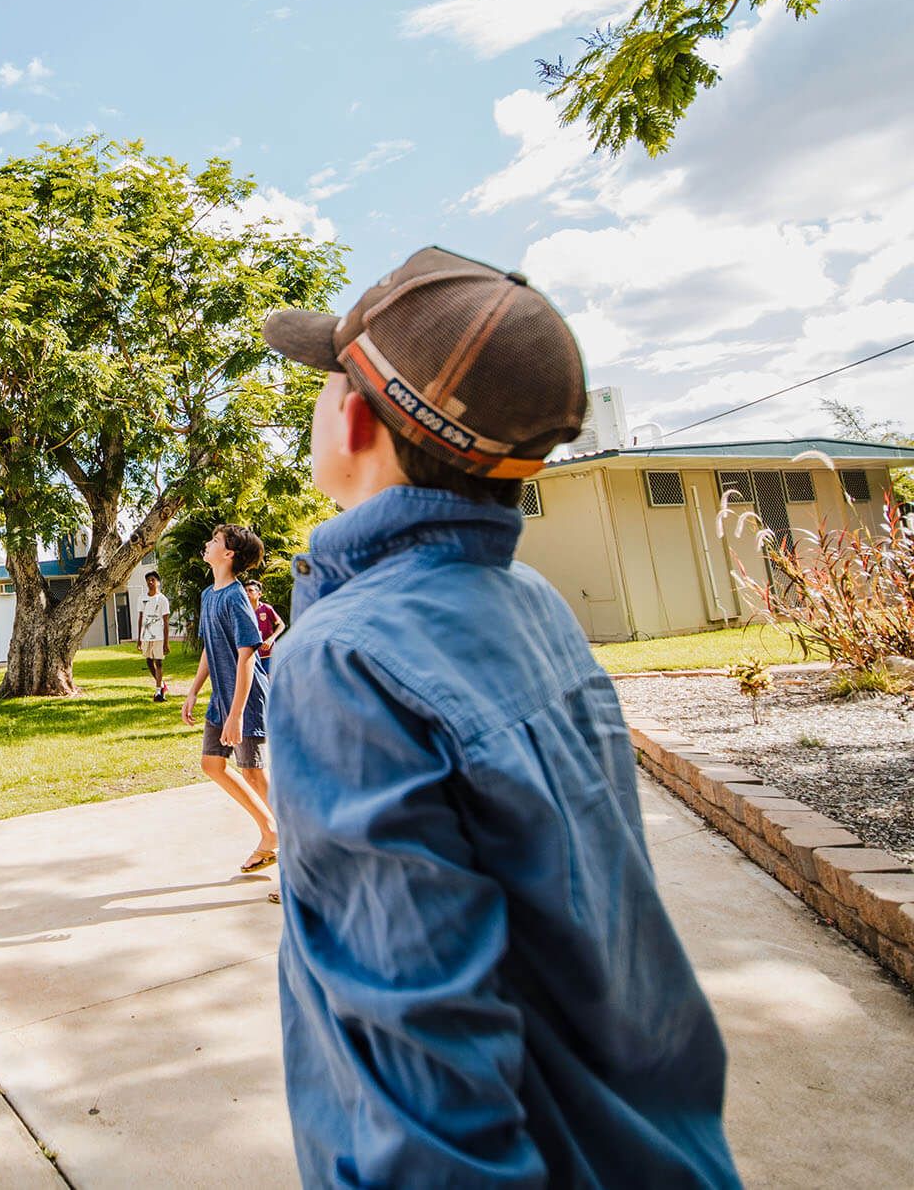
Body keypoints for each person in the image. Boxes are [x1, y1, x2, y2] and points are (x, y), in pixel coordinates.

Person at [260, 246, 739, 1186]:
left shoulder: (344, 657)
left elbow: (430, 1077)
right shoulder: (534, 602)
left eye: (324, 380)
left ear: (354, 417)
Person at [179, 525, 280, 883]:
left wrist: (237, 714)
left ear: (229, 554)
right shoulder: (209, 595)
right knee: (212, 764)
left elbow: (248, 655)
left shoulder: (237, 597)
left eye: (215, 541)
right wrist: (193, 690)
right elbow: (210, 647)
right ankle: (270, 830)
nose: (207, 543)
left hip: (245, 699)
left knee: (253, 771)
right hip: (220, 699)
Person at [135, 570, 172, 701]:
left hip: (159, 636)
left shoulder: (162, 599)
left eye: (153, 580)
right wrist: (139, 639)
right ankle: (162, 685)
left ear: (158, 582)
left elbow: (166, 621)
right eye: (148, 580)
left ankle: (158, 693)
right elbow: (140, 618)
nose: (150, 582)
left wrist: (166, 642)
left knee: (159, 662)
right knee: (149, 661)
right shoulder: (142, 598)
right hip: (146, 636)